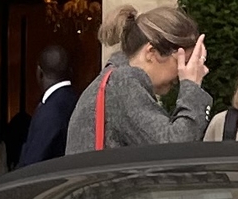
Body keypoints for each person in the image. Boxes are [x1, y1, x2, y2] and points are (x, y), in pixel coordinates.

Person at [69, 9, 215, 151]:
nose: (182, 73)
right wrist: (192, 86)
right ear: (151, 52)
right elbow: (174, 149)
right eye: (182, 62)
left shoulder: (114, 81)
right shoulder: (123, 83)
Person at [19, 44, 79, 165]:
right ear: (70, 71)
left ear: (39, 72)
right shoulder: (75, 100)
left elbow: (31, 164)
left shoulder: (50, 111)